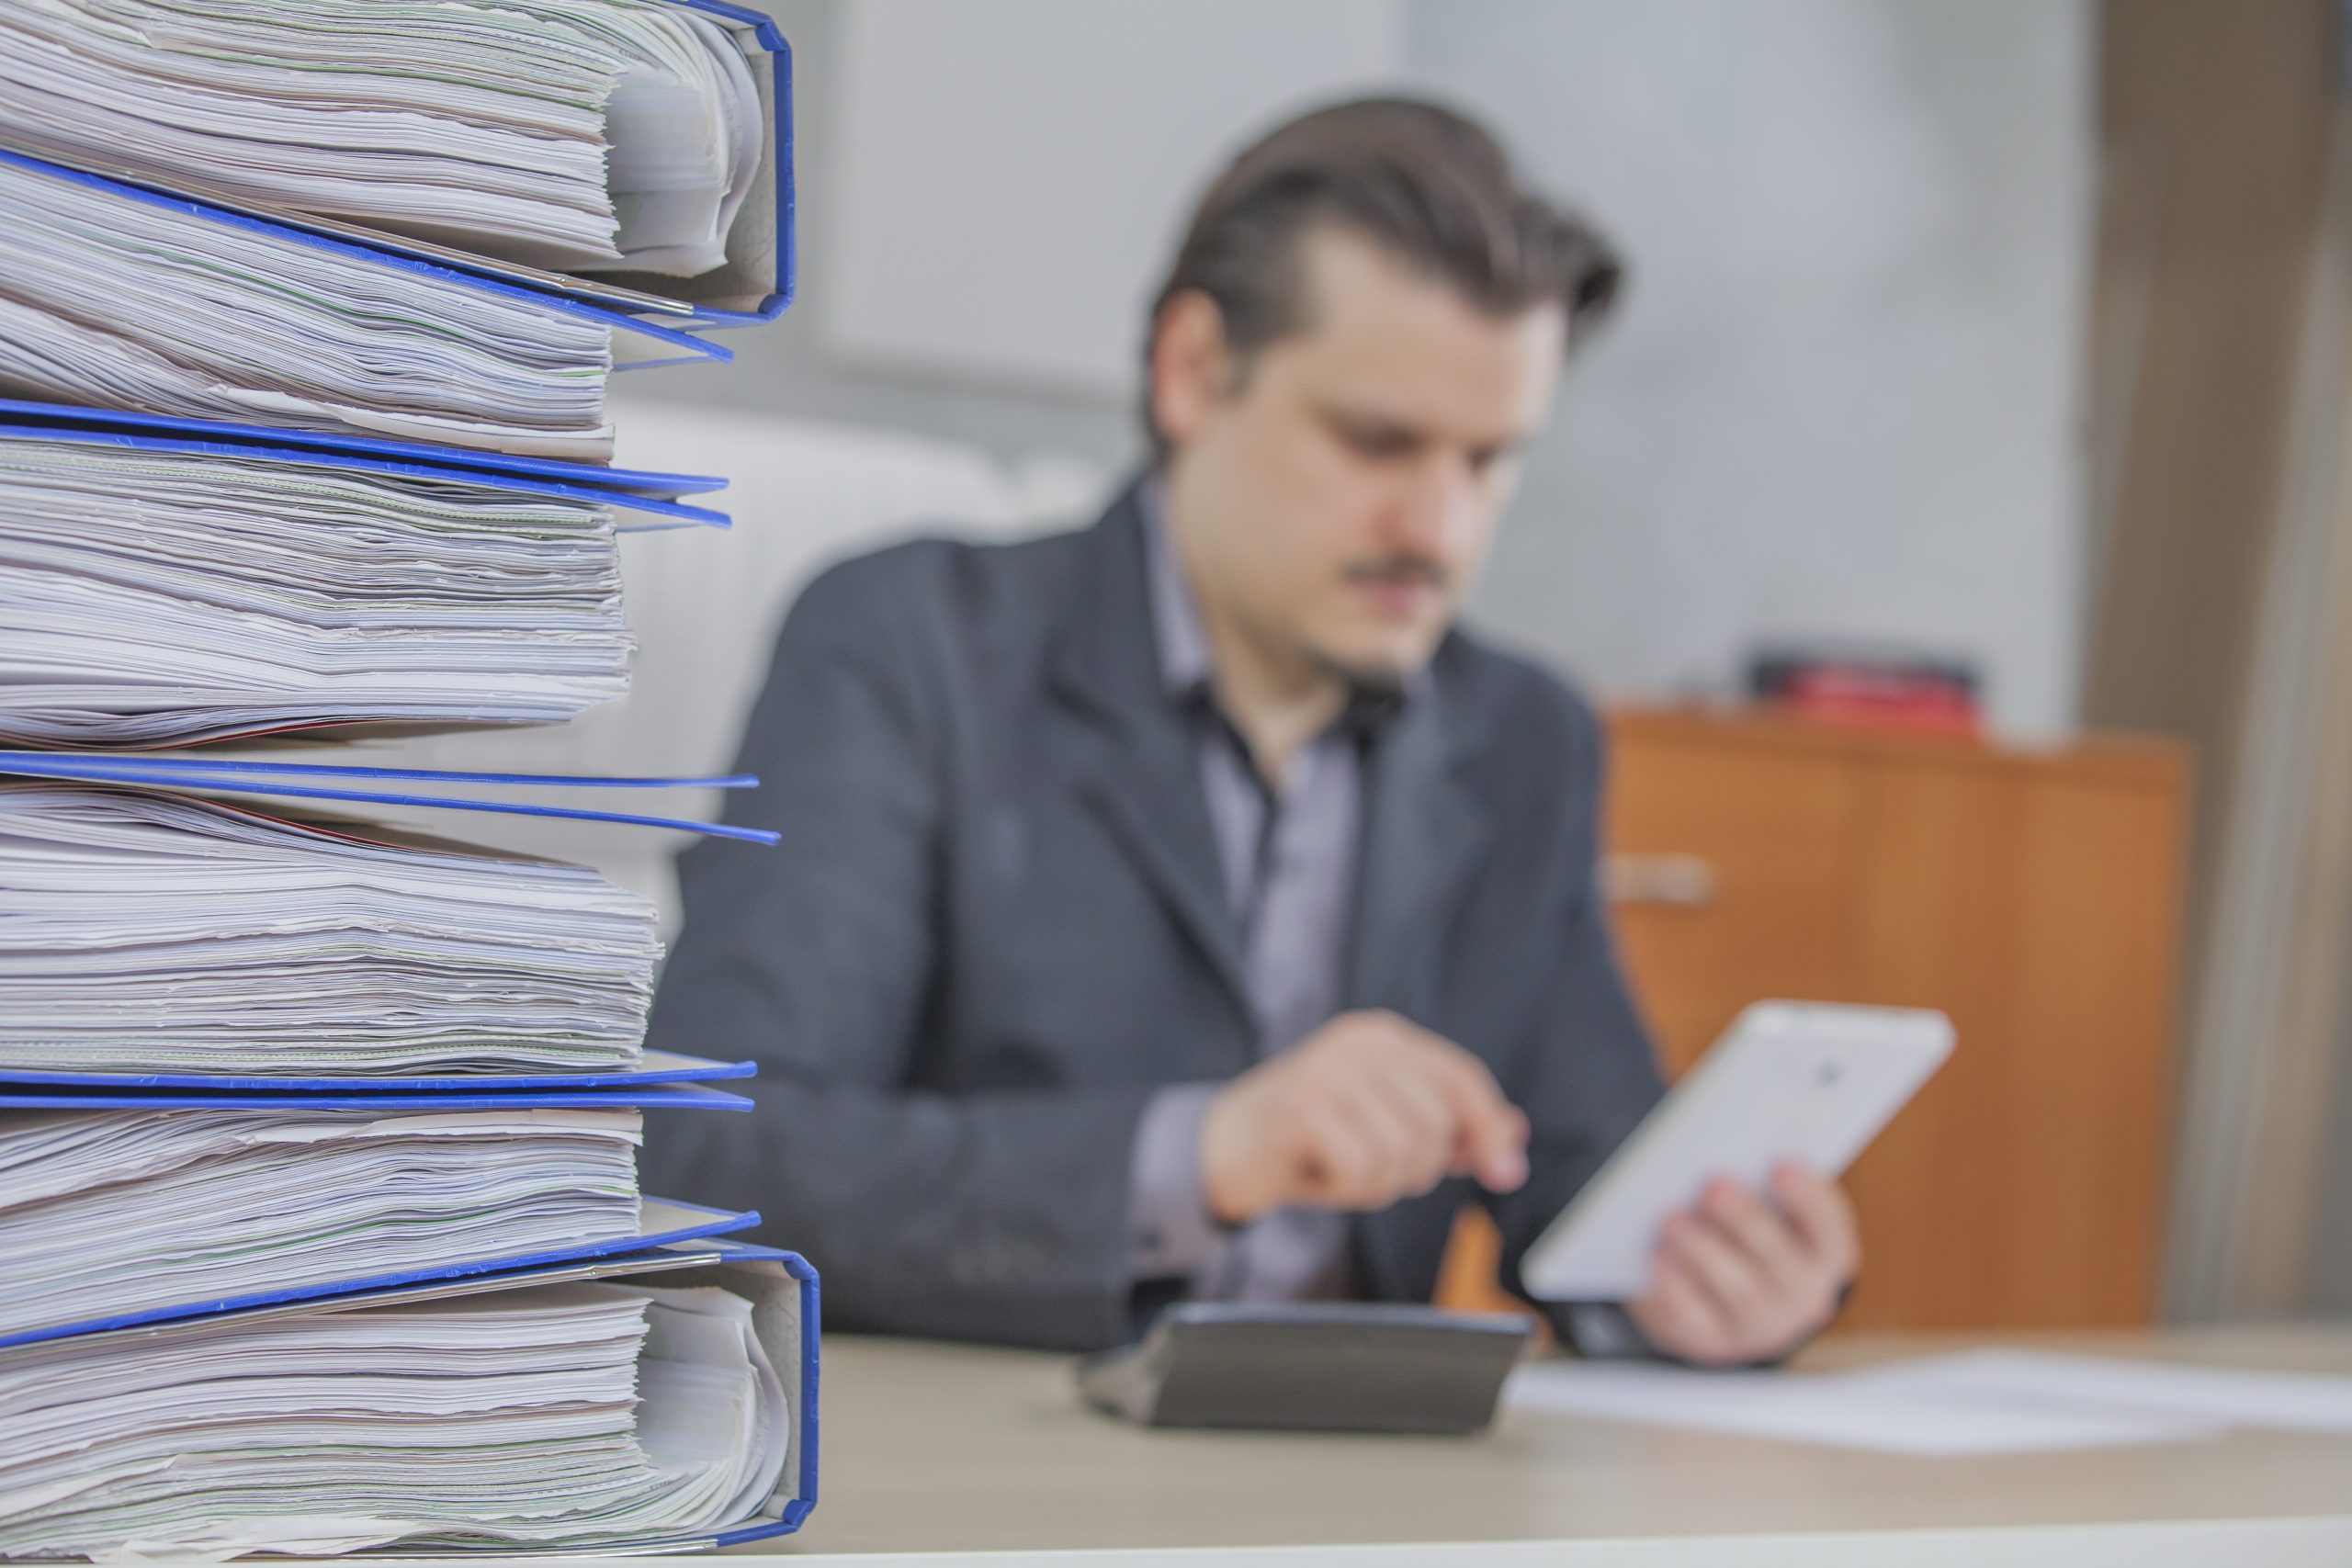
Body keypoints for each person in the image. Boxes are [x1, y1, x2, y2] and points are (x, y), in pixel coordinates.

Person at [643, 96, 1859, 1362]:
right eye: (1378, 441)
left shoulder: (1523, 738)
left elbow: (1587, 1195)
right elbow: (709, 1154)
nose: (1441, 531)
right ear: (1191, 373)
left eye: (1492, 461)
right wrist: (1197, 1156)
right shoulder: (911, 644)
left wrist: (1706, 1277)